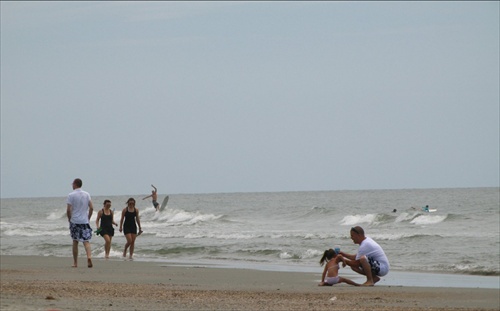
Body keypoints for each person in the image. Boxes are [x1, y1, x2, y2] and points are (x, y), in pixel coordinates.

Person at [66, 178, 94, 268]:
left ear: (75, 184)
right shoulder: (87, 194)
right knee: (86, 241)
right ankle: (89, 257)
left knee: (75, 241)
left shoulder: (71, 195)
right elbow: (91, 207)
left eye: (72, 184)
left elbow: (68, 209)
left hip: (75, 220)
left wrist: (69, 218)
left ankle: (75, 262)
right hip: (84, 220)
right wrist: (88, 217)